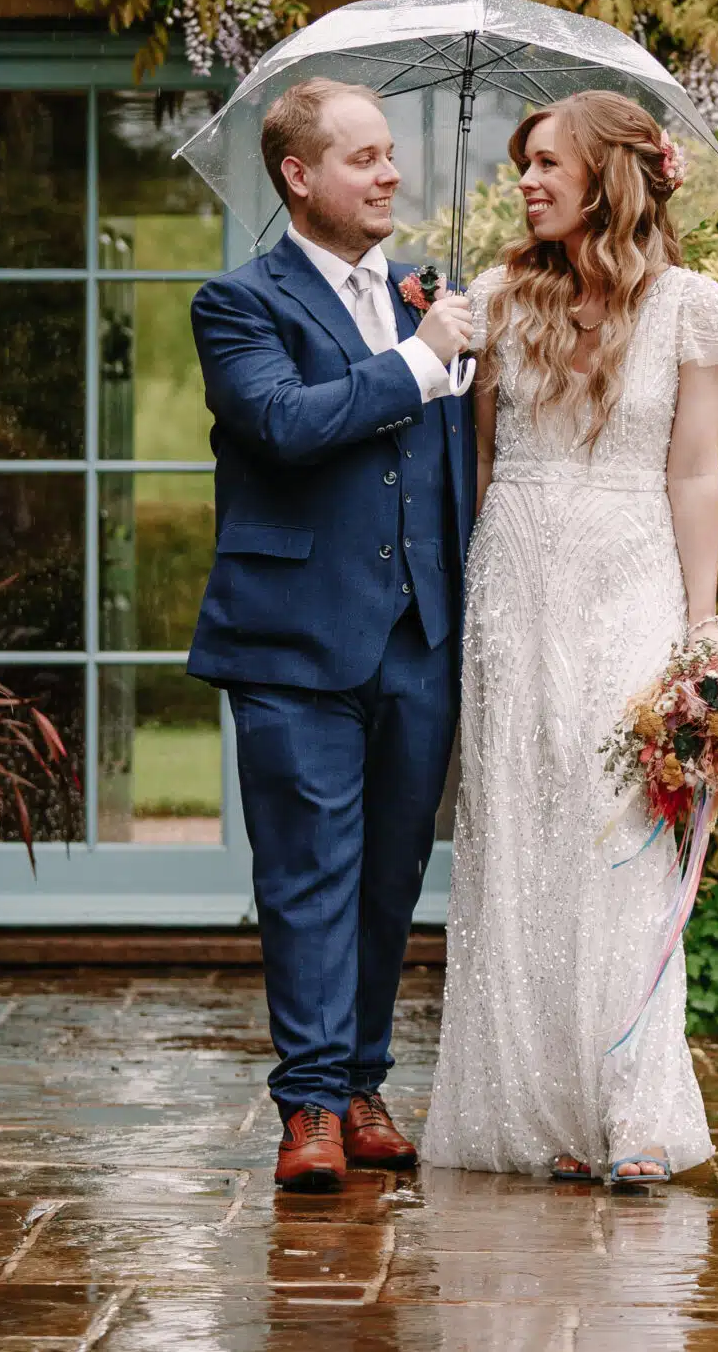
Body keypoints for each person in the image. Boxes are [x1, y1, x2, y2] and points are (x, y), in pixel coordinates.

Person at [422, 89, 718, 1185]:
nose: (524, 180)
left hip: (629, 583)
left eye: (547, 162)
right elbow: (472, 465)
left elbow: (694, 471)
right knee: (516, 835)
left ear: (611, 173)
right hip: (514, 583)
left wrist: (700, 636)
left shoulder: (690, 307)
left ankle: (639, 1116)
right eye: (523, 164)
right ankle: (540, 1118)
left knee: (617, 840)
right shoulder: (495, 298)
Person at [187, 76, 477, 1193]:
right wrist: (418, 359)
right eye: (363, 158)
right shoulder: (240, 302)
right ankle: (305, 1105)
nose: (390, 173)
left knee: (388, 878)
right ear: (299, 176)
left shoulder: (427, 298)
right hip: (292, 638)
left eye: (391, 153)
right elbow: (283, 424)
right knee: (308, 873)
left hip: (417, 633)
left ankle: (359, 1086)